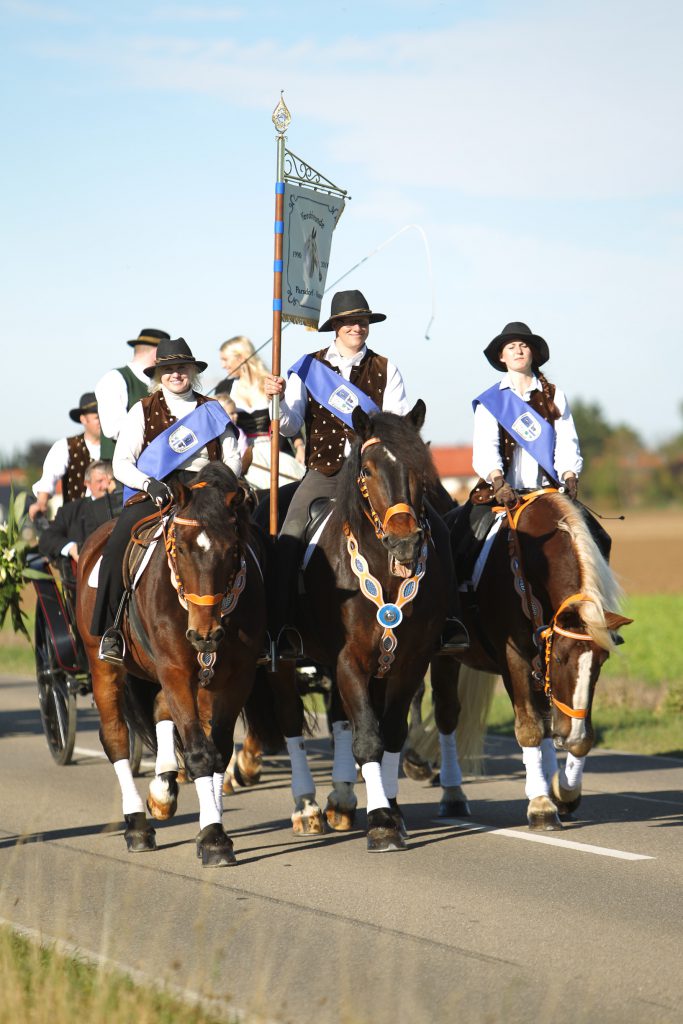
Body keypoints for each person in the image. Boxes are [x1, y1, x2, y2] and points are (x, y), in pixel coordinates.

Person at [263, 288, 468, 658]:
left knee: (437, 527)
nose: (356, 327)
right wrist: (274, 400)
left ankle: (449, 621)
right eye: (348, 322)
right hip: (325, 473)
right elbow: (290, 426)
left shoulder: (387, 368)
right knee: (288, 538)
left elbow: (400, 427)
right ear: (335, 327)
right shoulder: (307, 368)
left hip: (380, 475)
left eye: (362, 321)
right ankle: (279, 629)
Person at [91, 338, 242, 664]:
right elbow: (121, 463)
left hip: (209, 493)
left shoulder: (211, 410)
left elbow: (233, 457)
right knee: (117, 543)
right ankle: (111, 630)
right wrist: (149, 483)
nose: (176, 374)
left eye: (182, 368)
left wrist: (220, 485)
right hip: (158, 492)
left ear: (192, 371)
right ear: (159, 373)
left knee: (254, 540)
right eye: (169, 369)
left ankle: (267, 629)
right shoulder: (142, 409)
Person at [459, 320, 609, 579]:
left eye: (523, 345)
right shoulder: (490, 402)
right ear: (501, 356)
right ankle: (465, 605)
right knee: (464, 540)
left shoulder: (555, 396)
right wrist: (497, 481)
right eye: (511, 347)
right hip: (502, 494)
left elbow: (567, 441)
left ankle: (597, 601)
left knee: (599, 538)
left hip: (549, 491)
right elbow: (486, 449)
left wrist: (570, 474)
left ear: (533, 353)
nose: (518, 351)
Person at [217, 335, 305, 491]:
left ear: (241, 357)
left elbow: (286, 415)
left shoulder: (269, 382)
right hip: (243, 452)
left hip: (275, 450)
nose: (222, 365)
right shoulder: (224, 387)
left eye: (225, 359)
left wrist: (300, 446)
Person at [96, 328, 171, 460]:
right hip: (119, 473)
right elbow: (113, 429)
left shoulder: (160, 384)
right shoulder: (115, 378)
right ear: (156, 354)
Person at [29, 392, 101, 520]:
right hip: (77, 523)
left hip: (112, 521)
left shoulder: (117, 446)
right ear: (83, 419)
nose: (101, 421)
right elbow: (48, 479)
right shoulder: (66, 447)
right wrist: (41, 502)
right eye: (97, 417)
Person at [38, 460, 116, 564]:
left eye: (110, 481)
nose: (106, 486)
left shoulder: (125, 505)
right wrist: (71, 548)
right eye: (100, 481)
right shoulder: (70, 511)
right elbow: (47, 539)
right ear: (87, 483)